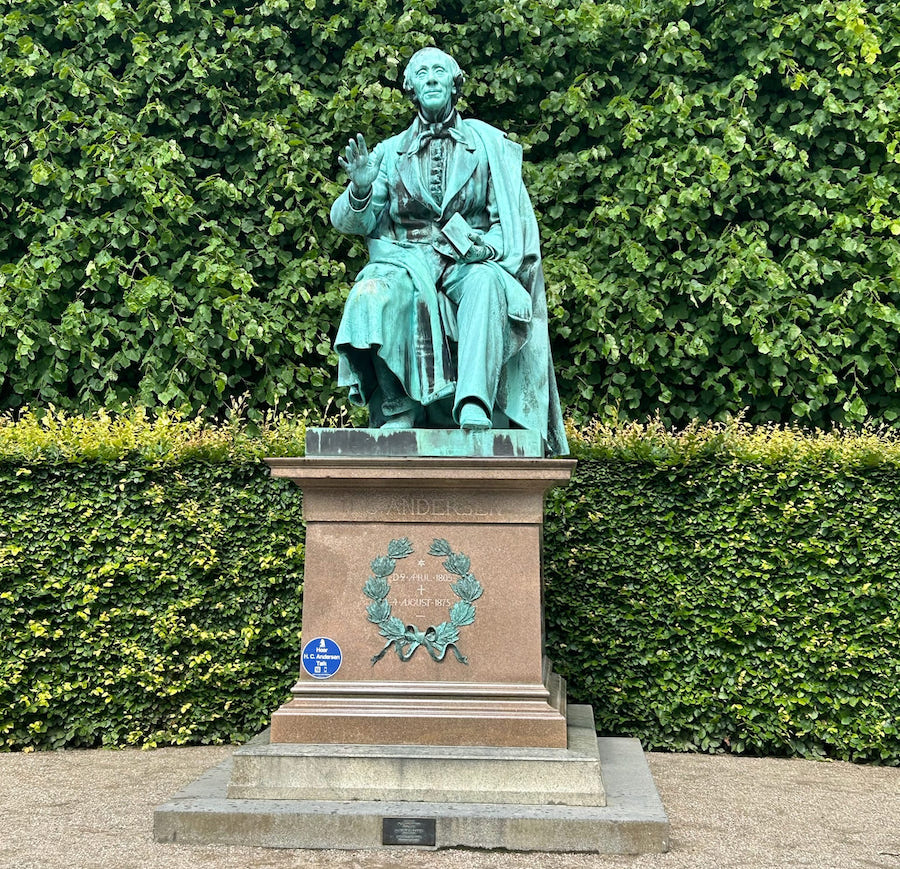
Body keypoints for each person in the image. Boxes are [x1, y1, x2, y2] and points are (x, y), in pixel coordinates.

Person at [330, 47, 567, 456]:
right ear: (411, 88)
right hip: (407, 258)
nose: (431, 78)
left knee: (486, 283)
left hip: (466, 260)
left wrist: (483, 247)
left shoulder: (486, 145)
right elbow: (351, 222)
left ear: (455, 84)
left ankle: (474, 401)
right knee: (369, 292)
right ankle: (397, 406)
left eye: (439, 70)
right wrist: (361, 188)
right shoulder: (389, 152)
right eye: (422, 73)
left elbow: (506, 224)